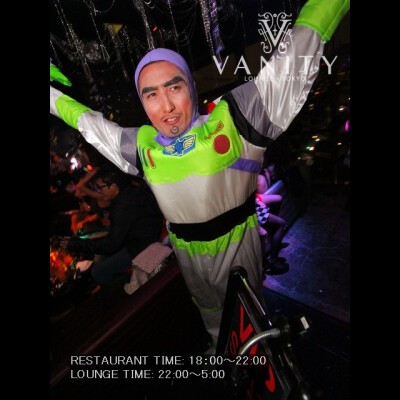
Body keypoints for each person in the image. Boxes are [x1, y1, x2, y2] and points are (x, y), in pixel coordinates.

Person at [50, 0, 349, 350]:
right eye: (151, 95)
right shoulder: (142, 146)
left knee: (250, 319)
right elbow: (87, 122)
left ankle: (260, 358)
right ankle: (221, 351)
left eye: (174, 87)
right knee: (209, 313)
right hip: (187, 254)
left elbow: (296, 56)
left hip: (237, 247)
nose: (166, 106)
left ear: (190, 87)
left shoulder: (235, 120)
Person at [61, 167, 163, 291]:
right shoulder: (130, 192)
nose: (99, 190)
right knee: (99, 258)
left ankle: (129, 292)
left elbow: (111, 244)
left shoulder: (121, 206)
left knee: (98, 272)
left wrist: (76, 244)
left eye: (100, 187)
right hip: (145, 234)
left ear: (113, 187)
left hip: (142, 243)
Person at [256, 173, 289, 275]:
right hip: (252, 205)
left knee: (279, 198)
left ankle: (272, 234)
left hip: (254, 199)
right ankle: (272, 260)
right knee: (282, 224)